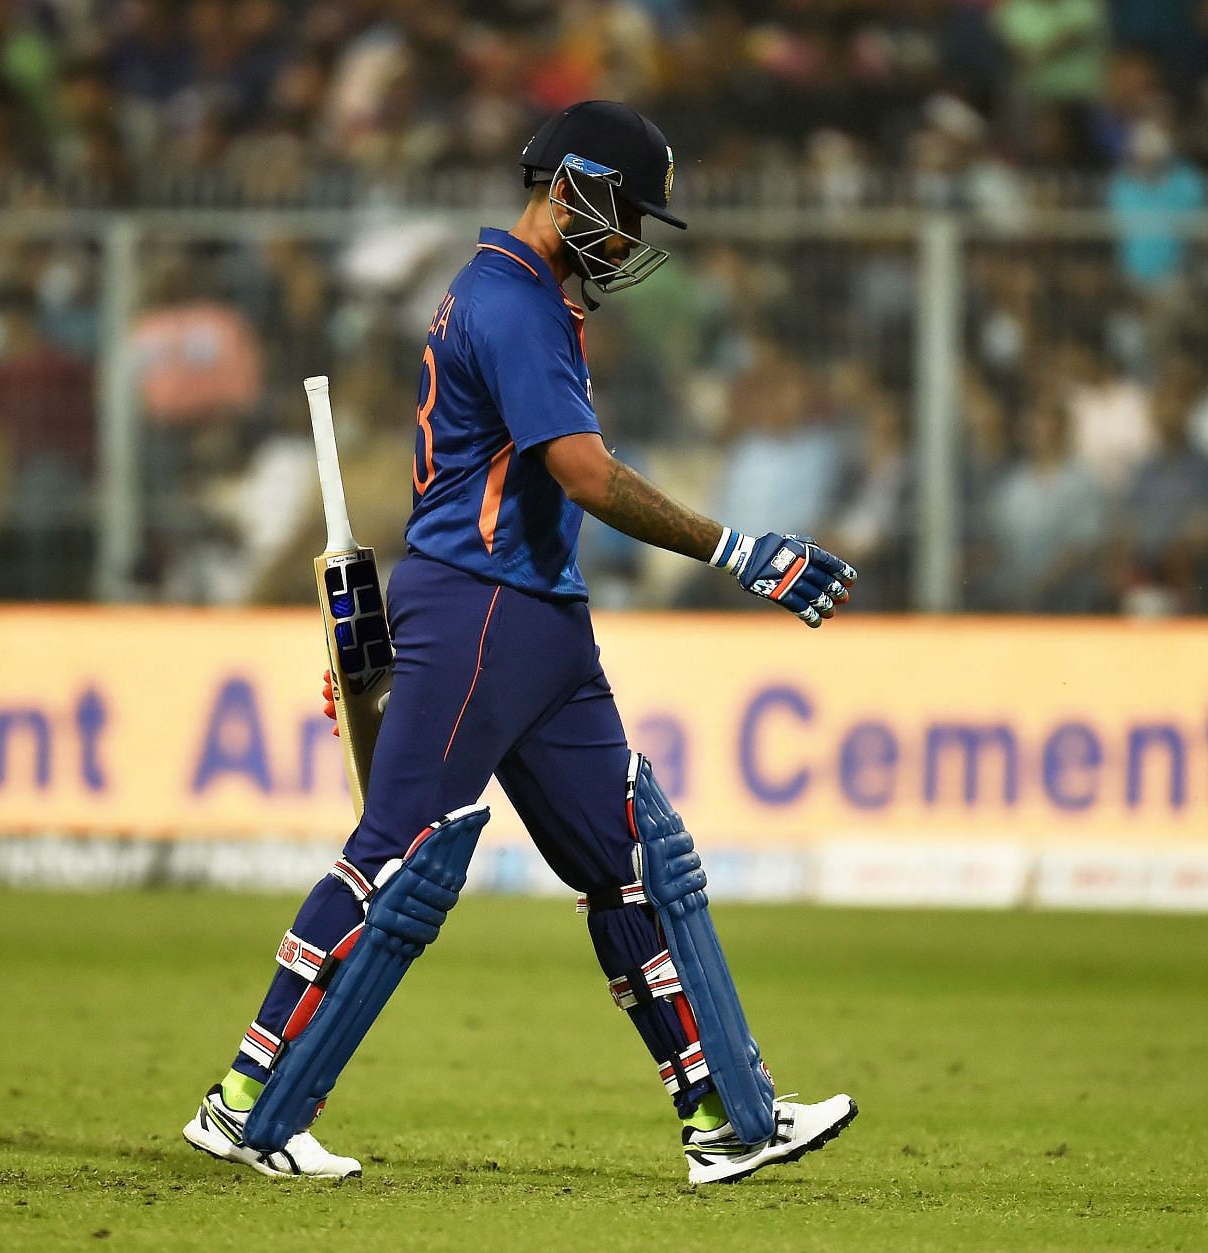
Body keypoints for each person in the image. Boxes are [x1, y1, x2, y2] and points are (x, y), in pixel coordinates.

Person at [184, 101, 860, 1186]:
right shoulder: (511, 303)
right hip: (486, 609)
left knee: (636, 864)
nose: (633, 241)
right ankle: (250, 1098)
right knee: (400, 857)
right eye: (627, 213)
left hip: (535, 617)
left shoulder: (524, 296)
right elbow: (584, 474)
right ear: (576, 188)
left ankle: (728, 1115)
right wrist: (741, 549)